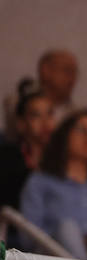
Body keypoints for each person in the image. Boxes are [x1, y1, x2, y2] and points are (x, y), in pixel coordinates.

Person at [20, 108, 87, 260]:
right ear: (65, 135)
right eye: (82, 130)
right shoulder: (40, 180)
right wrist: (65, 236)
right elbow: (28, 237)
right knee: (68, 228)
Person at [0, 83, 54, 211]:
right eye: (36, 115)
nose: (46, 122)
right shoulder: (6, 157)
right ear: (21, 124)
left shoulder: (64, 157)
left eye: (50, 114)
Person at [35, 49, 78, 120]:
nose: (72, 79)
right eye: (67, 71)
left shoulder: (75, 115)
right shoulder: (18, 106)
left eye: (75, 73)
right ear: (45, 71)